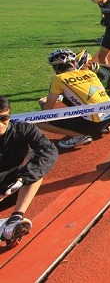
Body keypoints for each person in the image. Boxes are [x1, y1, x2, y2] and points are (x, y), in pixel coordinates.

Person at [0, 95, 58, 247]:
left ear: (9, 115)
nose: (0, 124)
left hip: (12, 187)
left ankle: (15, 218)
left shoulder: (23, 129)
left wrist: (21, 180)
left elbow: (48, 150)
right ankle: (5, 228)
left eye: (3, 118)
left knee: (36, 170)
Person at [39, 49, 110, 149]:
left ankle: (79, 136)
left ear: (55, 69)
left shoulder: (59, 79)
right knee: (73, 98)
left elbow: (48, 110)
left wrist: (43, 104)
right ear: (75, 63)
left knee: (38, 121)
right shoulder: (90, 73)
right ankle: (102, 128)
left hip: (95, 123)